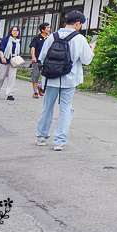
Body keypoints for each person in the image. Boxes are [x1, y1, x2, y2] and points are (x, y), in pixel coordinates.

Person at [36, 11, 95, 151]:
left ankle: (41, 137)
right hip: (69, 79)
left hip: (50, 78)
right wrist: (92, 49)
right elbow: (87, 60)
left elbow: (42, 57)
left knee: (47, 108)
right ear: (77, 24)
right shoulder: (79, 39)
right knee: (65, 109)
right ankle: (59, 141)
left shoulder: (52, 36)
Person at [0, 25, 23, 100]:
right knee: (0, 77)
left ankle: (10, 94)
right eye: (14, 31)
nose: (16, 32)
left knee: (12, 78)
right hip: (5, 59)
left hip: (14, 61)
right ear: (11, 31)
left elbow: (18, 51)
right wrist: (2, 57)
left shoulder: (19, 41)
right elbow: (1, 49)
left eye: (17, 31)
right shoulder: (6, 39)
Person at [29, 22, 50, 98]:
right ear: (42, 30)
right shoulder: (37, 38)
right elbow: (33, 47)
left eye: (49, 27)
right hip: (37, 60)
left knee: (44, 76)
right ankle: (35, 92)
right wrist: (33, 57)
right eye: (47, 28)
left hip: (46, 60)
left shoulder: (50, 38)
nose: (49, 29)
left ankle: (41, 87)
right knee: (35, 75)